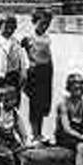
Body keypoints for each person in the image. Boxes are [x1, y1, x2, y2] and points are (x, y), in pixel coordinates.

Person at [22, 8, 55, 143]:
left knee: (43, 104)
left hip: (46, 72)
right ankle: (34, 134)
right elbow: (20, 54)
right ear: (34, 22)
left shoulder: (47, 37)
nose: (44, 26)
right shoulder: (28, 38)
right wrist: (25, 71)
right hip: (34, 72)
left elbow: (48, 55)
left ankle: (40, 133)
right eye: (42, 23)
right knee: (34, 105)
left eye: (47, 24)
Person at [0, 13, 27, 100]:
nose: (9, 30)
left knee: (14, 100)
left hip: (14, 76)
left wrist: (23, 72)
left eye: (12, 27)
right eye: (6, 27)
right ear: (0, 26)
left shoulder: (15, 42)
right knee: (2, 100)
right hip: (1, 76)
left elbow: (21, 59)